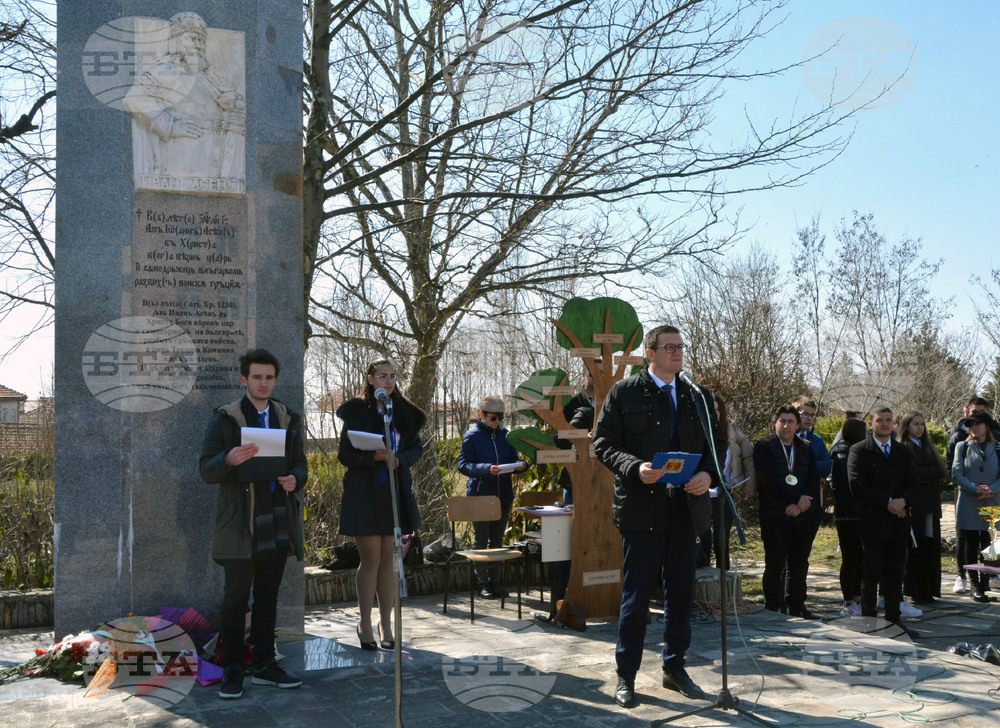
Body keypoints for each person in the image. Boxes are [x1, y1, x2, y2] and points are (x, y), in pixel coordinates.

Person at [593, 324, 723, 709]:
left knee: (681, 596)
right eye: (670, 347)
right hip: (641, 510)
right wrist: (635, 468)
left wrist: (706, 476)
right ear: (650, 353)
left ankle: (674, 668)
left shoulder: (696, 395)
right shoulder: (625, 392)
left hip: (685, 512)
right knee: (636, 600)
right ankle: (626, 676)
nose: (678, 353)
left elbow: (714, 450)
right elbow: (603, 443)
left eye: (682, 347)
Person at [199, 349, 307, 699]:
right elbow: (206, 470)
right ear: (244, 379)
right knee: (234, 600)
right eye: (257, 377)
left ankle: (263, 665)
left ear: (276, 380)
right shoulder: (226, 418)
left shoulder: (288, 416)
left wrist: (295, 479)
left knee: (268, 598)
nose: (263, 383)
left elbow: (301, 464)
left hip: (276, 519)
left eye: (269, 377)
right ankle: (232, 669)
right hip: (239, 525)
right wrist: (228, 458)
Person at [337, 357, 425, 650]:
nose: (388, 381)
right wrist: (371, 457)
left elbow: (416, 448)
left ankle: (386, 622)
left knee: (390, 561)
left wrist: (400, 459)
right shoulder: (356, 412)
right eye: (382, 375)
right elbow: (345, 455)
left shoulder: (402, 412)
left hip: (395, 492)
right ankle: (364, 621)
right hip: (364, 493)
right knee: (371, 560)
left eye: (392, 376)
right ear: (370, 379)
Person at [847, 407, 919, 637]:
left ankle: (893, 622)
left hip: (899, 521)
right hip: (872, 521)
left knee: (895, 573)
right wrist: (889, 502)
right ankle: (869, 622)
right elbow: (856, 485)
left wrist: (904, 501)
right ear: (871, 424)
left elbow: (913, 483)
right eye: (880, 420)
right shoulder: (859, 450)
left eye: (889, 421)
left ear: (895, 424)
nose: (885, 424)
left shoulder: (902, 451)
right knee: (871, 573)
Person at [753, 405, 822, 619]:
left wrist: (803, 503)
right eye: (782, 420)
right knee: (775, 562)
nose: (786, 425)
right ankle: (773, 606)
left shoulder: (806, 446)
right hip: (775, 514)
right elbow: (767, 481)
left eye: (791, 421)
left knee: (800, 562)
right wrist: (795, 499)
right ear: (775, 423)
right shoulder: (764, 446)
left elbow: (813, 477)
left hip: (802, 514)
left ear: (797, 424)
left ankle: (797, 604)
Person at [457, 396, 526, 599]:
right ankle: (482, 583)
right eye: (493, 418)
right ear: (481, 415)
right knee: (481, 540)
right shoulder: (472, 436)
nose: (497, 423)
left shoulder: (506, 436)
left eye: (500, 419)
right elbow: (463, 465)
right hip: (480, 496)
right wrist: (487, 469)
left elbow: (514, 460)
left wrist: (522, 465)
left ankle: (496, 582)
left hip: (503, 495)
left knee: (497, 540)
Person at [946, 397, 999, 594]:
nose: (974, 428)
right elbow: (956, 473)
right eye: (971, 424)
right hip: (969, 499)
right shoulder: (963, 446)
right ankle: (973, 582)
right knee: (968, 540)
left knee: (989, 540)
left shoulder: (997, 447)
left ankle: (987, 580)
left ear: (987, 426)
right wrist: (974, 488)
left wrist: (991, 489)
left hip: (992, 500)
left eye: (978, 424)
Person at [699, 395, 755, 570]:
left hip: (725, 493)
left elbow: (747, 459)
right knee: (703, 538)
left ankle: (725, 578)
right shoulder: (696, 430)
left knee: (722, 541)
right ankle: (703, 578)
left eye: (717, 410)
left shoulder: (732, 433)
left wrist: (742, 484)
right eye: (710, 410)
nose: (713, 414)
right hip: (701, 493)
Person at [898, 411, 948, 606]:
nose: (920, 428)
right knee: (916, 548)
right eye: (915, 424)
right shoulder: (905, 447)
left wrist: (932, 473)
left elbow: (941, 471)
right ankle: (916, 590)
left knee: (930, 546)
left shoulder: (927, 446)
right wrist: (932, 473)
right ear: (907, 426)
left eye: (922, 424)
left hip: (930, 503)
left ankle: (929, 588)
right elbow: (914, 473)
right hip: (915, 505)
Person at [831, 417, 867, 617]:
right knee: (850, 557)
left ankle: (858, 598)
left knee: (860, 558)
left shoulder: (855, 449)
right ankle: (848, 601)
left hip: (860, 512)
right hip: (847, 514)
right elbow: (848, 480)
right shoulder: (842, 451)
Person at [557, 359, 602, 505]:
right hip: (576, 479)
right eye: (592, 374)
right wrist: (581, 438)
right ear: (584, 374)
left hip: (604, 478)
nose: (597, 377)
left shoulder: (613, 401)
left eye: (601, 373)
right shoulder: (572, 403)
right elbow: (560, 438)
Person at [793, 395, 832, 480]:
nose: (809, 418)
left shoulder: (817, 440)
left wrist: (804, 463)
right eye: (805, 414)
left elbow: (826, 467)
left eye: (812, 415)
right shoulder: (786, 439)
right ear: (794, 415)